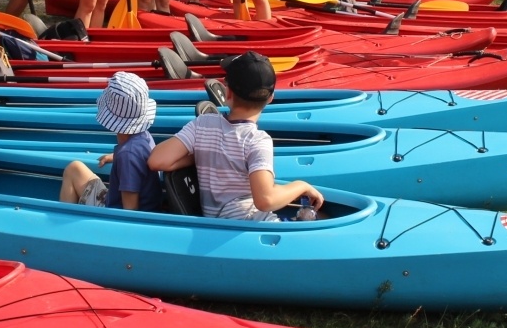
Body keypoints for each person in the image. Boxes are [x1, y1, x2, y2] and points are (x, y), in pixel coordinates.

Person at [148, 52, 324, 221]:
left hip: (219, 222)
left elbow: (157, 160)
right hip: (250, 226)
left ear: (228, 93)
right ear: (270, 98)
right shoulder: (258, 141)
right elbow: (265, 200)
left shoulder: (202, 124)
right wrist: (301, 185)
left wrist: (202, 156)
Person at [59, 72, 167, 212]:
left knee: (73, 169)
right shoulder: (144, 137)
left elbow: (130, 211)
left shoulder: (127, 155)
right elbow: (139, 160)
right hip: (146, 206)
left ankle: (64, 227)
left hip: (115, 214)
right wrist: (115, 156)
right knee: (75, 168)